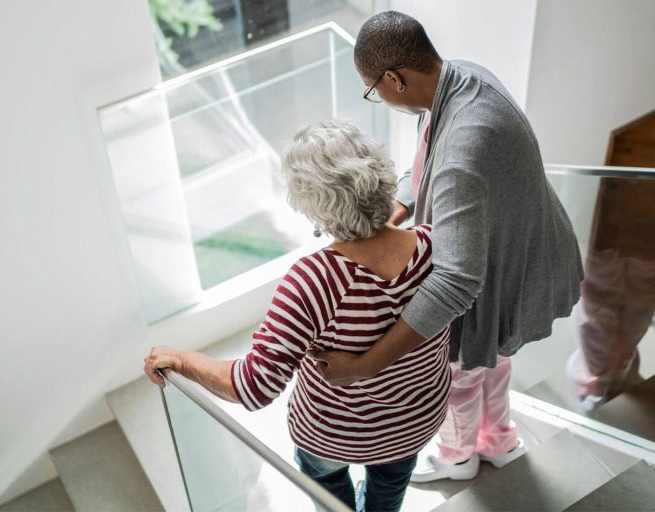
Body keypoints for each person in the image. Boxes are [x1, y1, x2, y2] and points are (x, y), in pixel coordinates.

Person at [308, 11, 584, 482]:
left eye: (374, 90)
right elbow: (426, 168)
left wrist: (365, 366)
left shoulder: (462, 149)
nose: (378, 98)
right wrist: (392, 212)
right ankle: (498, 439)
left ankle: (458, 456)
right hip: (526, 253)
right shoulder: (464, 78)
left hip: (502, 274)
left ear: (394, 79)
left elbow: (456, 283)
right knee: (494, 359)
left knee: (460, 372)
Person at [144, 120, 452, 512]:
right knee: (388, 490)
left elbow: (252, 388)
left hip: (333, 436)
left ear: (311, 206)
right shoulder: (437, 243)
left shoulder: (312, 282)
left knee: (327, 486)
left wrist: (182, 359)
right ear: (381, 174)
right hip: (415, 422)